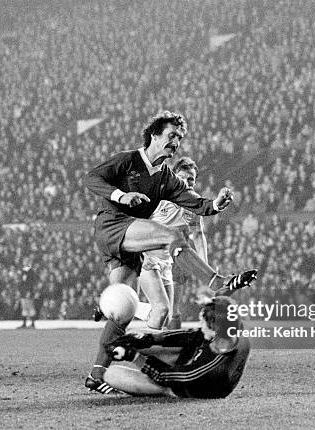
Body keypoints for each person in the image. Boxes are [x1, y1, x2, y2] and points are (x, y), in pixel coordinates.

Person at [84, 111, 257, 393]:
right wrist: (121, 195)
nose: (175, 141)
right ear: (154, 135)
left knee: (121, 312)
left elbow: (195, 203)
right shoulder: (128, 160)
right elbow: (92, 179)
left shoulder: (165, 177)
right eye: (171, 135)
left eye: (180, 137)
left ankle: (97, 374)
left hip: (131, 242)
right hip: (112, 225)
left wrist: (215, 204)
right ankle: (218, 282)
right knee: (170, 237)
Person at [103, 296, 250, 398]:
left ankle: (160, 391)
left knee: (111, 374)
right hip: (193, 366)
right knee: (139, 337)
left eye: (203, 324)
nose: (201, 327)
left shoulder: (212, 365)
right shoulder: (226, 334)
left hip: (188, 388)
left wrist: (135, 357)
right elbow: (190, 336)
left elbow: (169, 376)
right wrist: (149, 339)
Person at [139, 156, 208, 330]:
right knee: (155, 307)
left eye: (191, 179)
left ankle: (170, 350)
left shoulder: (194, 204)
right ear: (174, 177)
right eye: (183, 177)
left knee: (171, 310)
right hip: (151, 254)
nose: (187, 182)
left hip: (176, 258)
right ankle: (113, 306)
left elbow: (198, 236)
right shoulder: (158, 196)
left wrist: (205, 269)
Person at [18, 262, 39, 329]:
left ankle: (32, 324)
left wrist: (29, 291)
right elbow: (22, 282)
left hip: (27, 293)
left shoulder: (30, 271)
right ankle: (25, 324)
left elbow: (31, 282)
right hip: (23, 293)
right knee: (24, 308)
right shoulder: (23, 271)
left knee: (30, 307)